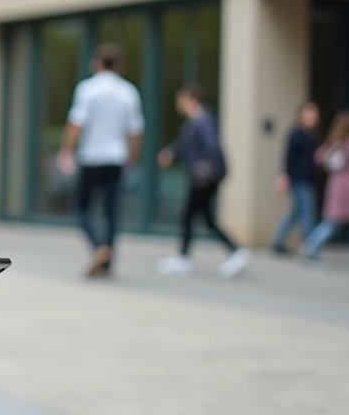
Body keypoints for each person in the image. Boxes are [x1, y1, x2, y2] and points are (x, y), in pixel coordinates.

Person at [57, 43, 143, 278]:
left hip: (92, 157)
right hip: (116, 159)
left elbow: (76, 124)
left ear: (96, 63)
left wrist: (66, 151)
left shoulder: (87, 89)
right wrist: (132, 159)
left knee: (82, 207)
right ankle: (107, 262)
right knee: (111, 212)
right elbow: (135, 132)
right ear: (120, 66)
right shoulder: (129, 92)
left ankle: (99, 247)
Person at [157, 85, 251, 279]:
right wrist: (172, 154)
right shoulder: (195, 122)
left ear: (192, 99)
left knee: (190, 216)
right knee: (205, 219)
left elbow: (211, 147)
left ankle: (187, 257)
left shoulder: (202, 121)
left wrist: (203, 166)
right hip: (202, 176)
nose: (179, 104)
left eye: (181, 99)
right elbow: (185, 147)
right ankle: (234, 252)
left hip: (202, 178)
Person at [302, 111, 349, 266]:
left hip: (335, 185)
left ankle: (310, 246)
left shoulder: (334, 142)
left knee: (332, 221)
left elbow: (318, 157)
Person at [271, 102, 320, 255]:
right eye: (309, 115)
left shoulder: (312, 135)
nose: (312, 118)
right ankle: (310, 248)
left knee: (296, 213)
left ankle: (278, 241)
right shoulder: (296, 134)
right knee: (307, 214)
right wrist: (284, 176)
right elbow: (288, 156)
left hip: (308, 179)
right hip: (299, 179)